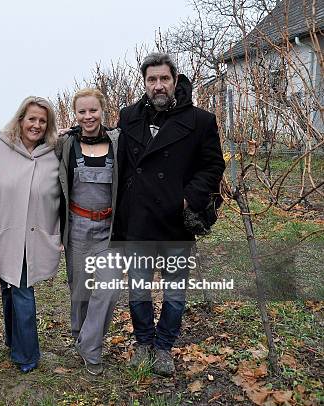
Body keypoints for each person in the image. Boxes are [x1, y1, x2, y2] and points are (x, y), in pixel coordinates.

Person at [113, 52, 225, 376]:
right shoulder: (128, 116)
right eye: (152, 80)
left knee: (174, 293)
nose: (158, 85)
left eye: (164, 79)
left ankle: (164, 347)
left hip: (176, 224)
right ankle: (144, 343)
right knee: (138, 290)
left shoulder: (200, 121)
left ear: (175, 81)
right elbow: (115, 154)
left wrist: (188, 198)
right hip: (139, 222)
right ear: (144, 83)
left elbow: (213, 165)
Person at [0, 96, 61, 373]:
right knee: (8, 286)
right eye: (32, 118)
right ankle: (12, 339)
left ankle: (26, 354)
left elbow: (63, 195)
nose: (37, 125)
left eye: (43, 120)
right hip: (5, 233)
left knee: (22, 290)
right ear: (20, 119)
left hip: (37, 235)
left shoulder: (55, 154)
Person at [58, 88, 121, 375]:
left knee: (108, 288)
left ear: (102, 110)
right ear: (75, 114)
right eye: (82, 111)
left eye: (93, 110)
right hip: (78, 227)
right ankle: (79, 336)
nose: (88, 116)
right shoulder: (66, 144)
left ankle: (91, 345)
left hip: (110, 229)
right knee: (80, 290)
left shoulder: (118, 142)